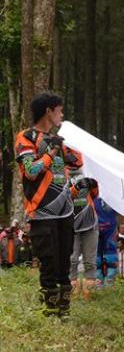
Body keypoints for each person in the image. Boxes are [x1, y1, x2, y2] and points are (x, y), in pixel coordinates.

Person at [15, 91, 84, 318]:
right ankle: (49, 313)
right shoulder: (26, 137)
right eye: (59, 110)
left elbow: (78, 161)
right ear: (49, 111)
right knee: (49, 265)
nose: (62, 115)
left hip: (65, 212)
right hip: (41, 212)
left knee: (65, 264)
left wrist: (65, 146)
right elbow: (31, 172)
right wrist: (51, 151)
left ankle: (64, 313)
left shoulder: (58, 140)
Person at [68, 174, 101, 298]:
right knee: (72, 258)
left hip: (90, 225)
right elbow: (64, 199)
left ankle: (89, 291)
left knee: (90, 260)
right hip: (72, 226)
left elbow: (96, 194)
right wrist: (75, 187)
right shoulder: (64, 183)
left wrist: (94, 184)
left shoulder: (87, 183)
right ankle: (71, 290)